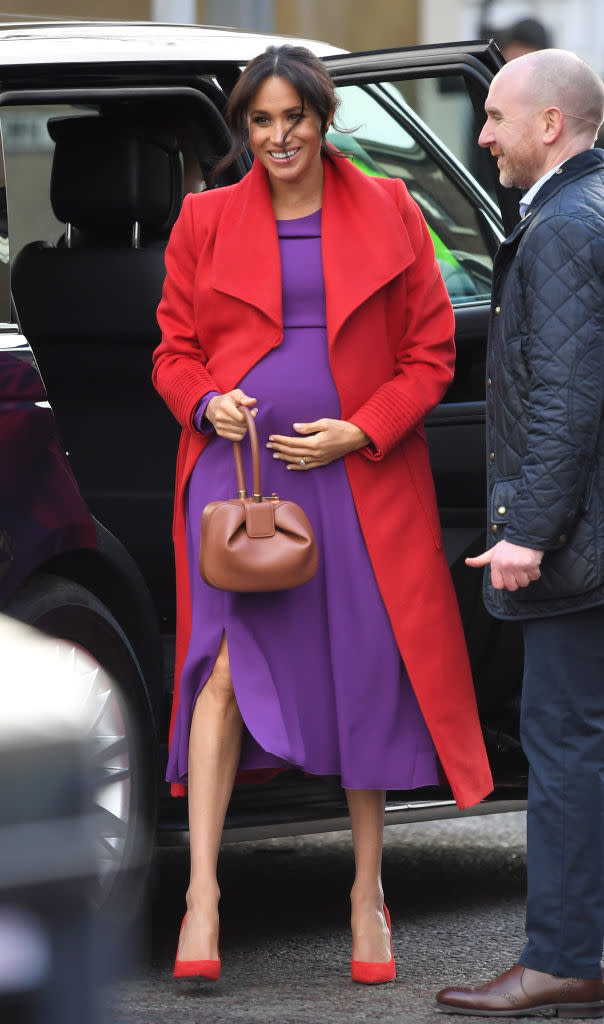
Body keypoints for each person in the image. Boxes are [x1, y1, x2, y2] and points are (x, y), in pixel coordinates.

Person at [153, 44, 492, 986]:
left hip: (360, 478)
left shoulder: (388, 206)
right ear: (244, 131)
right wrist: (205, 403)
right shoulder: (202, 219)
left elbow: (430, 355)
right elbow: (172, 353)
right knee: (220, 671)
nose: (277, 136)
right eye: (258, 121)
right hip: (240, 477)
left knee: (364, 668)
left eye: (290, 117)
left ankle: (366, 892)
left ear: (322, 115)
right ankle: (203, 894)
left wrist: (362, 431)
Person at [436, 49, 604, 1017]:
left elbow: (567, 405)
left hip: (575, 545)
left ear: (551, 125)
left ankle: (562, 956)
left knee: (564, 742)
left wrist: (526, 533)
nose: (484, 134)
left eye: (498, 117)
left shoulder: (562, 228)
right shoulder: (581, 212)